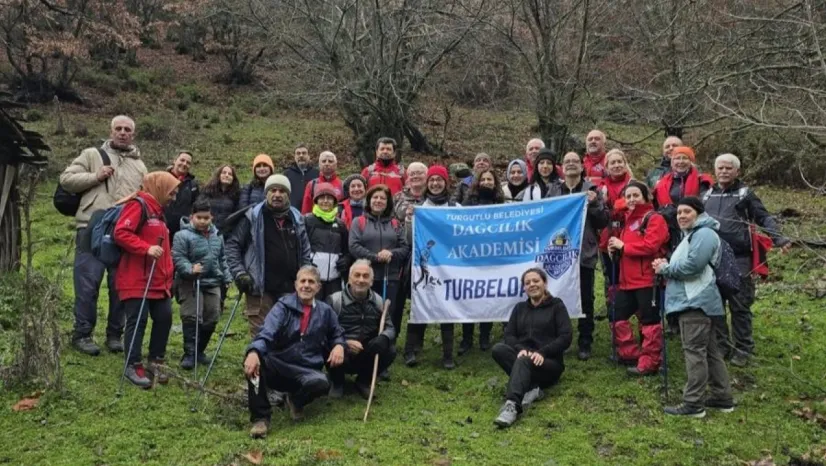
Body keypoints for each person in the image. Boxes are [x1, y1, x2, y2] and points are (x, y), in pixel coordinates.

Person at [60, 115, 147, 356]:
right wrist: (95, 176)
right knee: (87, 283)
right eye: (118, 128)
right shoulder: (91, 155)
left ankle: (114, 335)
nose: (122, 132)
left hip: (123, 232)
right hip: (90, 226)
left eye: (127, 129)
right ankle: (83, 333)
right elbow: (66, 180)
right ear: (110, 131)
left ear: (133, 134)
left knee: (120, 285)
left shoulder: (139, 166)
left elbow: (144, 197)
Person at [702, 153, 791, 366]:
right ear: (715, 171)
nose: (724, 171)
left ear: (737, 171)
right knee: (715, 305)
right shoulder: (706, 195)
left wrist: (778, 237)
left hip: (739, 257)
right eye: (720, 168)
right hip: (712, 257)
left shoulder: (745, 194)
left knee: (739, 304)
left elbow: (764, 217)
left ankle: (743, 349)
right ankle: (723, 346)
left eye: (728, 168)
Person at [244, 266, 346, 438]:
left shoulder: (325, 311)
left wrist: (339, 345)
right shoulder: (282, 307)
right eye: (303, 281)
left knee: (322, 382)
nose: (306, 285)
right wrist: (254, 351)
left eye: (311, 282)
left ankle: (295, 400)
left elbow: (338, 333)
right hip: (279, 365)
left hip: (306, 370)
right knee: (254, 363)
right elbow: (266, 333)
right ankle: (260, 418)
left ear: (318, 287)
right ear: (296, 285)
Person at [653, 197, 733, 417]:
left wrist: (665, 268)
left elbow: (693, 267)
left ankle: (693, 403)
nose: (681, 216)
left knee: (694, 352)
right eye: (679, 213)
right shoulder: (693, 235)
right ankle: (722, 397)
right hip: (697, 302)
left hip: (695, 302)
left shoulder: (704, 234)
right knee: (709, 352)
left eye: (687, 211)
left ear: (699, 213)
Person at [114, 171, 180, 388]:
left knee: (164, 317)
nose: (173, 197)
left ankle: (156, 361)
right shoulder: (138, 205)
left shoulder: (158, 211)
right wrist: (146, 248)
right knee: (137, 321)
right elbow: (121, 233)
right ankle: (132, 365)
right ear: (160, 188)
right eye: (171, 192)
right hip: (137, 277)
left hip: (158, 280)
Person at [226, 174, 312, 337]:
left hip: (290, 288)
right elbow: (232, 245)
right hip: (259, 287)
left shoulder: (297, 218)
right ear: (266, 193)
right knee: (261, 335)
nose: (277, 194)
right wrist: (240, 273)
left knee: (287, 333)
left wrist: (305, 276)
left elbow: (305, 251)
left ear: (288, 195)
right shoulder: (252, 216)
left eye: (282, 191)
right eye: (273, 190)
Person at [491, 268, 572, 428]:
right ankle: (532, 388)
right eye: (527, 283)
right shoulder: (519, 308)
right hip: (525, 359)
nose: (532, 285)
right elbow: (510, 335)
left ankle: (512, 405)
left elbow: (565, 337)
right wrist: (520, 348)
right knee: (498, 349)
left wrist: (543, 352)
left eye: (536, 281)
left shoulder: (557, 306)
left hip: (549, 363)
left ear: (545, 283)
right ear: (524, 288)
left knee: (523, 360)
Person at [549, 152, 609, 361]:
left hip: (584, 252)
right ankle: (560, 339)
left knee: (585, 298)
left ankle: (585, 341)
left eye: (575, 162)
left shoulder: (592, 190)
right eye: (567, 162)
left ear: (582, 167)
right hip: (557, 253)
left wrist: (594, 204)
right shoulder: (554, 190)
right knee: (556, 296)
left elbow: (603, 221)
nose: (571, 165)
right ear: (562, 168)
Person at [607, 181, 670, 375]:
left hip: (647, 280)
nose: (632, 200)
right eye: (628, 196)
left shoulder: (654, 218)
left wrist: (623, 247)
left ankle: (650, 361)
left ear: (645, 197)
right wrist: (614, 252)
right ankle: (630, 354)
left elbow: (651, 246)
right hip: (626, 280)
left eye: (636, 195)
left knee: (650, 320)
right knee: (616, 316)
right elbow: (625, 248)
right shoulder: (626, 219)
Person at [404, 165, 459, 369]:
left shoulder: (456, 208)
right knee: (420, 304)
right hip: (424, 266)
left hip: (449, 266)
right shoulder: (420, 208)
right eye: (432, 180)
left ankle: (447, 355)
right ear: (427, 184)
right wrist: (410, 220)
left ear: (446, 183)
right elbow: (409, 239)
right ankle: (411, 350)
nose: (435, 184)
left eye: (440, 180)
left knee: (447, 307)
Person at [171, 198, 233, 370]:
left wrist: (227, 277)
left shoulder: (217, 235)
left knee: (212, 316)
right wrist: (190, 268)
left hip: (213, 281)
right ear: (192, 217)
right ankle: (189, 353)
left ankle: (200, 350)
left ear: (211, 217)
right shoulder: (181, 236)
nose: (203, 221)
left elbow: (222, 258)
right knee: (192, 316)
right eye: (199, 217)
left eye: (206, 218)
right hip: (191, 281)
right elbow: (178, 257)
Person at [327, 260, 397, 399]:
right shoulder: (334, 301)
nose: (361, 280)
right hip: (341, 350)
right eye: (357, 275)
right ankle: (337, 382)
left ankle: (363, 381)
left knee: (390, 349)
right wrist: (343, 343)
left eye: (365, 276)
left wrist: (384, 338)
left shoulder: (379, 302)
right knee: (327, 346)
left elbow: (390, 328)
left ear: (371, 281)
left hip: (365, 351)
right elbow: (323, 332)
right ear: (349, 278)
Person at [348, 184, 409, 336]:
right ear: (368, 201)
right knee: (366, 312)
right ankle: (367, 342)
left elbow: (404, 247)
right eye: (375, 197)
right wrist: (375, 257)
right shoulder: (359, 222)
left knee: (389, 311)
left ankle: (387, 343)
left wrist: (391, 254)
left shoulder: (395, 224)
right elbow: (354, 246)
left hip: (390, 277)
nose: (378, 201)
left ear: (388, 202)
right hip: (365, 277)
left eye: (383, 198)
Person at [460, 168, 506, 354]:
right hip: (470, 257)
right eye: (483, 179)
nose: (487, 182)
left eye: (490, 179)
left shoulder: (502, 204)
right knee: (469, 296)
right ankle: (467, 337)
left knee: (488, 295)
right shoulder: (468, 203)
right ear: (477, 182)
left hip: (493, 256)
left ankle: (485, 335)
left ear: (495, 183)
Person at [598, 150, 633, 319]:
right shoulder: (601, 188)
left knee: (630, 276)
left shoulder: (634, 185)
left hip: (630, 236)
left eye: (620, 161)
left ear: (625, 163)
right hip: (608, 236)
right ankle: (615, 316)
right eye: (613, 163)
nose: (617, 165)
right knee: (611, 279)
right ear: (607, 167)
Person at [305, 182, 350, 301]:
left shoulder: (340, 224)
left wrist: (345, 260)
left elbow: (347, 250)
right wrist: (307, 263)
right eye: (322, 198)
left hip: (334, 279)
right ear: (316, 200)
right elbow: (300, 247)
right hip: (312, 278)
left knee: (332, 312)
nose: (325, 201)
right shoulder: (307, 221)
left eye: (329, 198)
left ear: (334, 202)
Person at [165, 151, 199, 240]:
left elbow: (196, 207)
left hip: (182, 232)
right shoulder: (162, 178)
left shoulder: (193, 185)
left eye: (188, 163)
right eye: (182, 160)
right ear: (174, 161)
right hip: (162, 228)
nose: (184, 164)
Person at [199, 164, 240, 235]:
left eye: (230, 174)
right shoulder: (207, 191)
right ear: (219, 175)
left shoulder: (236, 195)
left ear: (233, 178)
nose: (227, 175)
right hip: (205, 231)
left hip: (225, 234)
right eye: (224, 173)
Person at [285, 143, 319, 210]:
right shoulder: (287, 174)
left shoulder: (316, 174)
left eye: (304, 153)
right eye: (298, 153)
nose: (301, 155)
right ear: (294, 157)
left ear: (309, 156)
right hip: (292, 213)